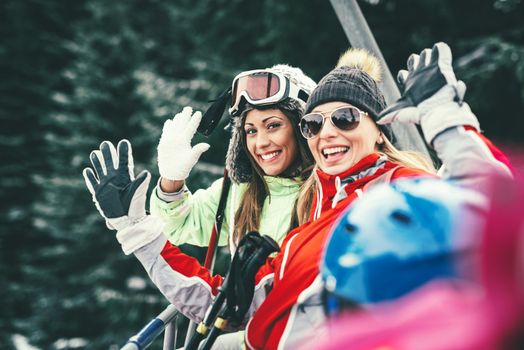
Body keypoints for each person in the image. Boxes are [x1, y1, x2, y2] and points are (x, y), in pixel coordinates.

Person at [83, 43, 512, 349]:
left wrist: (445, 118)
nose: (327, 132)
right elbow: (232, 301)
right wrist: (137, 226)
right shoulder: (306, 217)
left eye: (344, 118)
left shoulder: (395, 195)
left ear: (378, 127)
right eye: (315, 124)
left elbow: (493, 210)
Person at [151, 64, 316, 256]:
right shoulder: (236, 193)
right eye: (251, 131)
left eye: (273, 126)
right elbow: (177, 226)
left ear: (303, 126)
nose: (261, 143)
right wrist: (171, 179)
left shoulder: (330, 191)